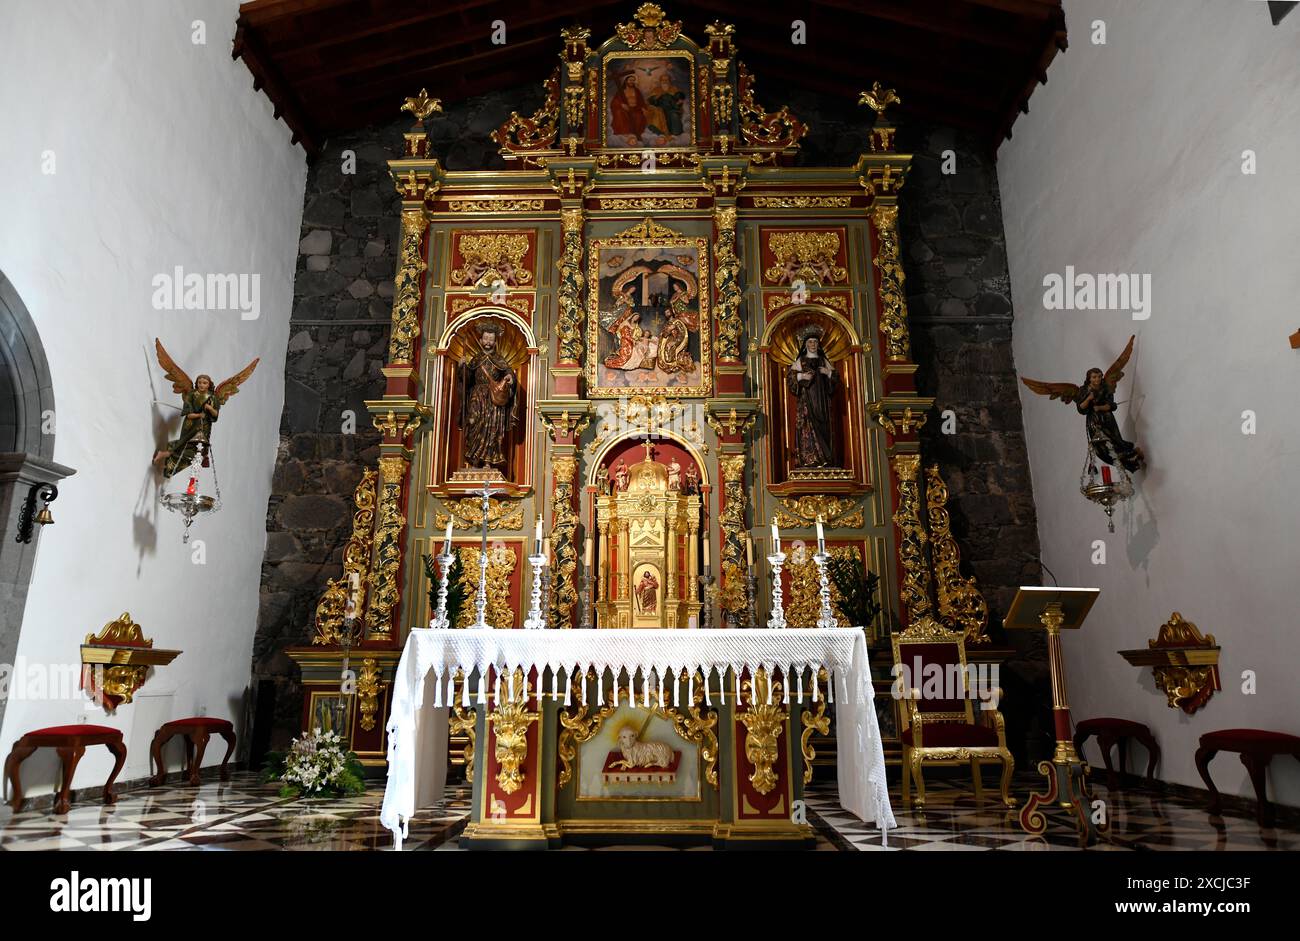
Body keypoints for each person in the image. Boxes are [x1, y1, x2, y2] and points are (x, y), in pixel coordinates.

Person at [458, 321, 518, 470]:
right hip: (477, 396)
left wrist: (510, 377)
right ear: (480, 340)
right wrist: (462, 366)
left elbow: (508, 372)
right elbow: (466, 379)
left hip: (493, 398)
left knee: (492, 427)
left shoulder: (499, 360)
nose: (488, 342)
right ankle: (474, 459)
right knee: (473, 421)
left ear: (495, 342)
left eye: (491, 339)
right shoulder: (476, 360)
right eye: (485, 339)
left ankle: (487, 461)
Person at [785, 323, 840, 468]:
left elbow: (835, 377)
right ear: (805, 344)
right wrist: (801, 375)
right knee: (807, 426)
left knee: (824, 427)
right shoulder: (801, 361)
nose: (813, 344)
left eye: (815, 342)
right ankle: (810, 459)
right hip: (807, 402)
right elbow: (790, 377)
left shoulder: (823, 361)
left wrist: (827, 373)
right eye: (810, 342)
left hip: (822, 401)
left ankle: (826, 459)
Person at [1078, 367, 1145, 472]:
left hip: (1107, 419)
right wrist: (1088, 399)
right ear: (1089, 378)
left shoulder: (1105, 388)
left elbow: (1112, 405)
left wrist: (1100, 408)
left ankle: (1130, 457)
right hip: (1093, 421)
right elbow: (1081, 408)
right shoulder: (1084, 390)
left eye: (1100, 376)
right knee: (1100, 447)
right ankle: (1126, 461)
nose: (1097, 379)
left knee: (1115, 442)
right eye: (1094, 377)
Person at [610, 73, 648, 146]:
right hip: (624, 109)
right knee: (619, 113)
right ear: (626, 81)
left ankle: (635, 134)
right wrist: (621, 105)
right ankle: (624, 133)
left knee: (639, 116)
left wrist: (643, 108)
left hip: (636, 109)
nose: (632, 82)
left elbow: (641, 101)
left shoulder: (636, 91)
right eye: (630, 80)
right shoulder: (621, 91)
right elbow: (614, 102)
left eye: (633, 80)